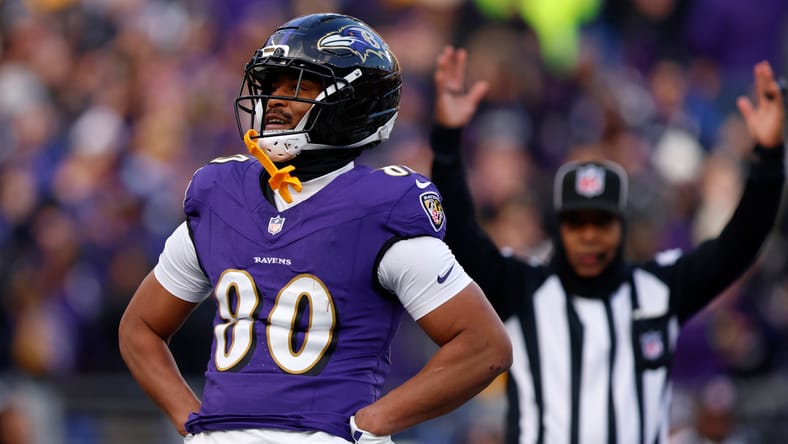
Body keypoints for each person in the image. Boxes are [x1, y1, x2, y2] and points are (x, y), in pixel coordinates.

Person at [118, 15, 512, 444]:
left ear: (352, 104)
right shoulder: (221, 196)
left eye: (299, 87)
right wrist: (190, 418)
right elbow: (140, 326)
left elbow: (484, 346)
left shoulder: (379, 207)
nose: (276, 101)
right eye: (273, 85)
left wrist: (372, 422)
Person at [429, 46, 785, 444]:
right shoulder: (522, 289)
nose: (590, 234)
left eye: (602, 221)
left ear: (622, 227)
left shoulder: (659, 290)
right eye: (576, 222)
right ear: (559, 228)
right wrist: (446, 143)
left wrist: (768, 160)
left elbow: (739, 245)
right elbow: (458, 233)